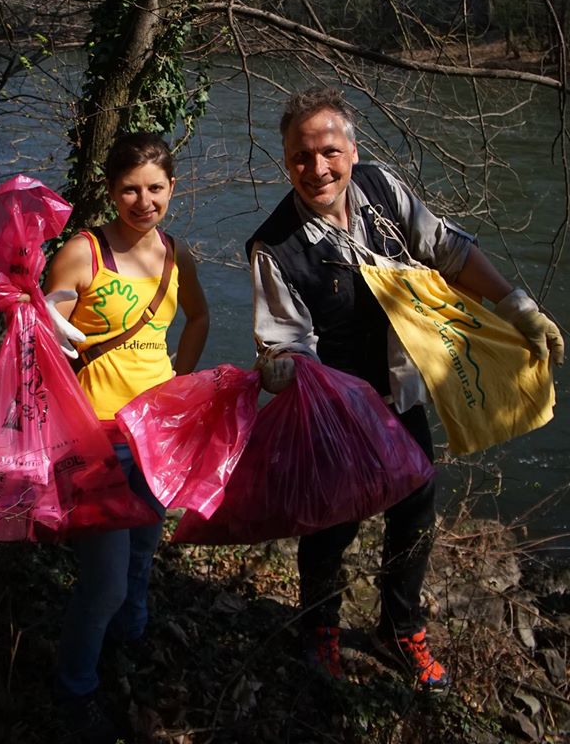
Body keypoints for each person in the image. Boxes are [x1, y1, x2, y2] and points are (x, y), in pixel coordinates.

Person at [247, 87, 564, 690]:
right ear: (285, 161)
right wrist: (280, 367)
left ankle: (400, 627)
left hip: (403, 389)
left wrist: (515, 305)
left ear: (352, 148)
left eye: (329, 152)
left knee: (416, 509)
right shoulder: (275, 247)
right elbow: (283, 339)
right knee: (331, 522)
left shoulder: (381, 191)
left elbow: (447, 250)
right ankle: (318, 627)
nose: (317, 169)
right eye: (300, 158)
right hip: (338, 413)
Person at [44, 131, 209, 742]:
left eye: (156, 188)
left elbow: (200, 317)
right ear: (112, 191)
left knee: (143, 553)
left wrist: (181, 383)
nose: (144, 201)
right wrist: (52, 316)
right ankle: (75, 687)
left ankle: (128, 640)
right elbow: (46, 320)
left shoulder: (176, 256)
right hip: (95, 438)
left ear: (173, 187)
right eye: (130, 189)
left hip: (156, 435)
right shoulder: (84, 252)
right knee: (105, 577)